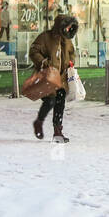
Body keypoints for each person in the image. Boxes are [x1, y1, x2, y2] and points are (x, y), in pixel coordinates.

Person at [29, 13, 79, 142]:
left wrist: (71, 63)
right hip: (47, 77)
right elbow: (33, 51)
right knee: (50, 101)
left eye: (70, 28)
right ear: (60, 26)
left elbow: (71, 53)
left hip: (61, 78)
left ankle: (58, 131)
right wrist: (44, 62)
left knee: (60, 102)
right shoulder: (45, 37)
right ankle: (39, 122)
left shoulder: (67, 41)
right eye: (67, 27)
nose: (68, 30)